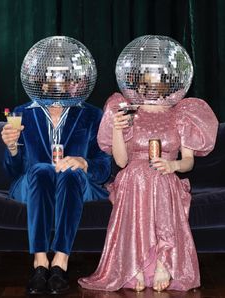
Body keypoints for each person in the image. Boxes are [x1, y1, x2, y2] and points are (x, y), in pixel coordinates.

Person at [78, 36, 218, 292]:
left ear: (168, 85)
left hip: (166, 177)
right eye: (146, 83)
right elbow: (121, 162)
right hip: (133, 179)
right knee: (138, 176)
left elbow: (187, 162)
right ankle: (138, 265)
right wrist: (119, 130)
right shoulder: (126, 111)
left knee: (161, 179)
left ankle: (163, 263)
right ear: (139, 86)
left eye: (157, 83)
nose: (151, 89)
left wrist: (172, 166)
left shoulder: (181, 115)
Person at [1, 36, 111, 295]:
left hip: (78, 185)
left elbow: (105, 167)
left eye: (65, 76)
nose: (59, 81)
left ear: (76, 81)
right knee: (41, 169)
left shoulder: (93, 115)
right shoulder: (21, 113)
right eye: (52, 75)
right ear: (40, 78)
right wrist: (12, 148)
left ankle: (60, 262)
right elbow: (13, 172)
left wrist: (83, 162)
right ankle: (40, 261)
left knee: (70, 171)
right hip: (33, 185)